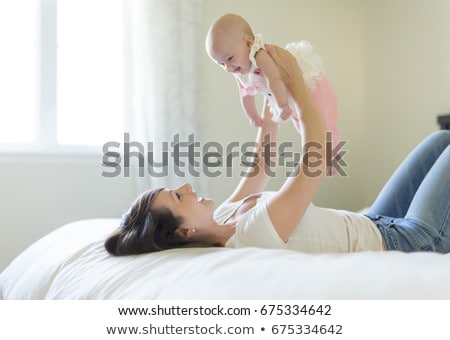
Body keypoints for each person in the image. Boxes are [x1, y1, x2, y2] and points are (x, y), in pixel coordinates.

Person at [105, 45, 450, 256]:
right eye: (178, 198)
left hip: (371, 219)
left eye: (175, 189)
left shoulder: (226, 214)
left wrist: (255, 83)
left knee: (439, 140)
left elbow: (263, 163)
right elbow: (315, 154)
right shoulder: (250, 235)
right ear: (184, 232)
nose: (184, 187)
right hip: (407, 241)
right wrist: (295, 81)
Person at [205, 13, 341, 150]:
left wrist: (282, 105)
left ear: (248, 43)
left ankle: (334, 151)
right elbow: (245, 94)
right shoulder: (238, 71)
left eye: (230, 59)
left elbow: (274, 79)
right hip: (290, 96)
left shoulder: (259, 55)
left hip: (311, 85)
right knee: (301, 124)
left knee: (324, 121)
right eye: (221, 64)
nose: (228, 68)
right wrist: (252, 116)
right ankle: (327, 154)